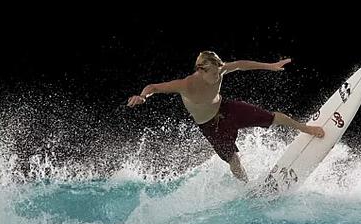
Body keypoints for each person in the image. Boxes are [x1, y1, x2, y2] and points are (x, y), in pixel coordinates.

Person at [127, 51, 324, 183]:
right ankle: (248, 189)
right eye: (213, 73)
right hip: (209, 126)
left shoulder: (218, 70)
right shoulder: (187, 85)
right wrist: (143, 96)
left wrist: (271, 66)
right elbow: (153, 87)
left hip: (226, 109)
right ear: (201, 70)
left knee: (271, 117)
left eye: (219, 72)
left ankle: (305, 128)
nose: (218, 76)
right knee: (234, 161)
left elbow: (241, 64)